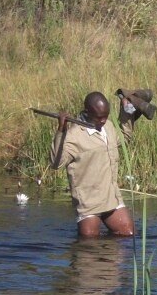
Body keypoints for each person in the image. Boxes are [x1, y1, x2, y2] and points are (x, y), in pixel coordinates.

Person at [51, 90, 146, 238]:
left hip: (111, 196)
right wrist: (61, 130)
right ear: (87, 112)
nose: (103, 120)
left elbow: (125, 137)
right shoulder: (73, 136)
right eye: (99, 117)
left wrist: (126, 110)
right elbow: (56, 163)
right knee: (89, 243)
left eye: (106, 116)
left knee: (128, 234)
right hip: (88, 202)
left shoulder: (108, 127)